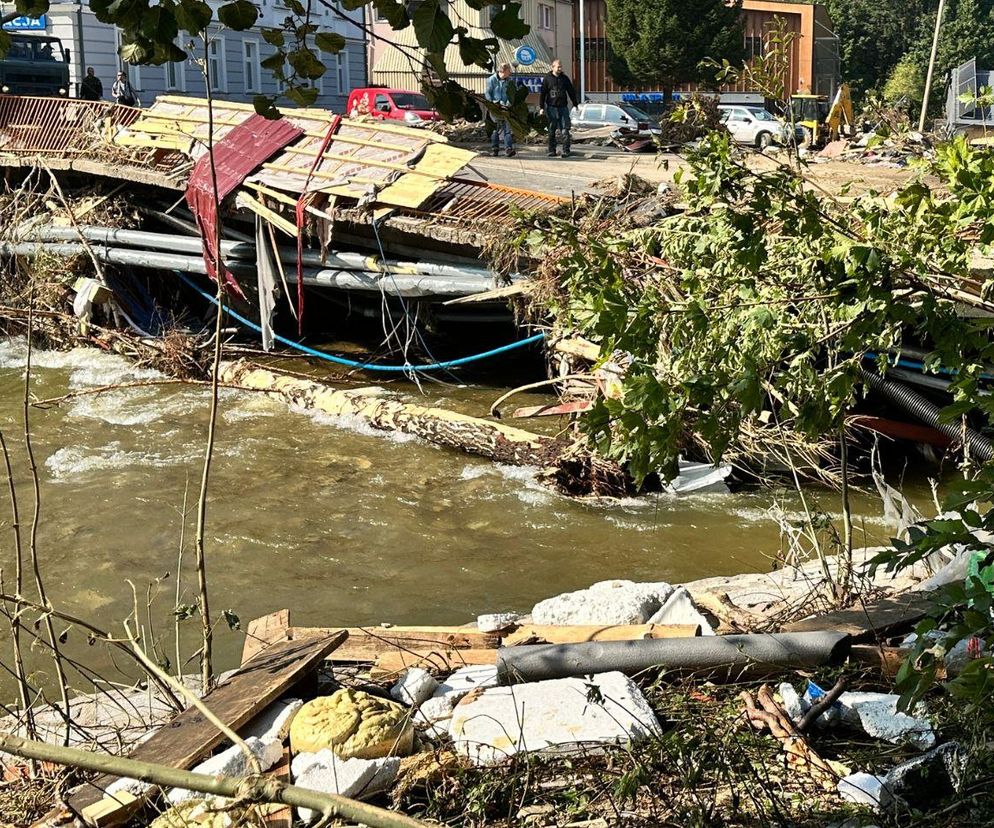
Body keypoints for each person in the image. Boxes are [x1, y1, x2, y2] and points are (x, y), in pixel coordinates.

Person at [539, 58, 578, 158]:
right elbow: (543, 93)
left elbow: (571, 91)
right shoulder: (547, 78)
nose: (560, 68)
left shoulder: (564, 78)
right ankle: (552, 150)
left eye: (561, 66)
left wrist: (575, 103)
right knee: (552, 130)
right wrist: (541, 107)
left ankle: (566, 150)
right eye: (558, 66)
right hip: (551, 108)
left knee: (565, 130)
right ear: (553, 67)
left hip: (563, 108)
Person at [484, 63, 516, 158]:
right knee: (495, 130)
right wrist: (491, 104)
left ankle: (508, 149)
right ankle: (495, 149)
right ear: (502, 71)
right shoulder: (491, 80)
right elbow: (487, 93)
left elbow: (512, 93)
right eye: (508, 70)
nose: (510, 72)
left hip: (506, 108)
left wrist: (509, 103)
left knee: (507, 130)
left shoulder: (510, 81)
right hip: (495, 108)